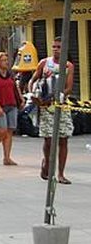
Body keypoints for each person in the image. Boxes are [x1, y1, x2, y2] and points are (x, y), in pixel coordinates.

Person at [28, 37, 74, 185]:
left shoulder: (68, 66)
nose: (56, 49)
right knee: (48, 140)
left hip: (61, 105)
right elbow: (32, 80)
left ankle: (60, 173)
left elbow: (68, 87)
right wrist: (33, 94)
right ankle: (47, 163)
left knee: (63, 139)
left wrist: (57, 96)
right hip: (46, 106)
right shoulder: (44, 63)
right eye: (54, 46)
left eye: (59, 47)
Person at [0, 52, 25, 165]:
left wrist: (21, 99)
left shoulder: (10, 74)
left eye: (7, 60)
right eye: (3, 60)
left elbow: (15, 88)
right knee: (1, 130)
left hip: (11, 105)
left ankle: (7, 157)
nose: (6, 62)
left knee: (9, 131)